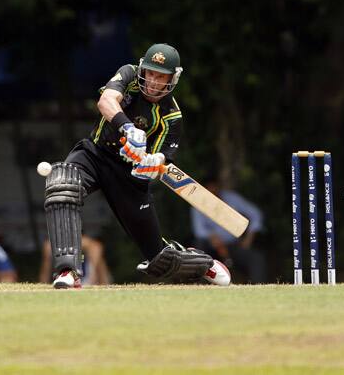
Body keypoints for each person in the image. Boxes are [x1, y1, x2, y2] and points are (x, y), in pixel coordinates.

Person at [44, 43, 227, 288]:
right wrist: (128, 127)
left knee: (160, 260)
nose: (152, 81)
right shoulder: (129, 75)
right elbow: (106, 100)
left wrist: (152, 161)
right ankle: (67, 272)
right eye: (150, 72)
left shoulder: (171, 116)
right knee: (61, 186)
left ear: (172, 79)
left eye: (160, 76)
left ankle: (204, 263)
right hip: (95, 155)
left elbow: (163, 158)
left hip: (130, 178)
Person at [191, 176, 266, 283]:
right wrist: (211, 236)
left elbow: (256, 214)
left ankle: (258, 289)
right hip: (210, 247)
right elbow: (198, 230)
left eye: (215, 190)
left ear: (219, 187)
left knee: (256, 258)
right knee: (198, 250)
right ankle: (199, 287)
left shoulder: (232, 198)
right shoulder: (197, 203)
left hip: (232, 245)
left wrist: (249, 238)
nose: (213, 194)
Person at [39, 235, 112, 286]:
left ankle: (91, 280)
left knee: (96, 252)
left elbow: (97, 247)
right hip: (67, 278)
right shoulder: (51, 246)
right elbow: (48, 246)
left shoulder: (89, 249)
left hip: (86, 279)